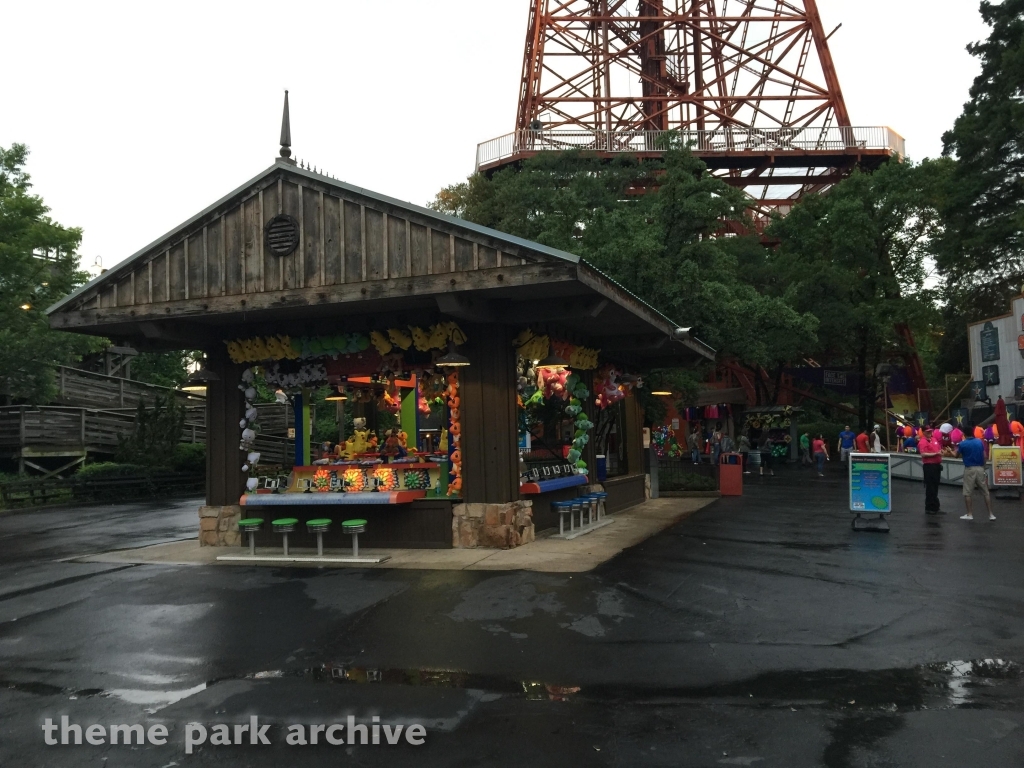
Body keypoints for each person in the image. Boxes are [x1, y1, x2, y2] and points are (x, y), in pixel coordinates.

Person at [957, 424, 994, 521]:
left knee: (967, 492)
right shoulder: (979, 442)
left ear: (964, 434)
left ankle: (969, 514)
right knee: (985, 492)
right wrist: (983, 467)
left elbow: (956, 455)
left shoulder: (962, 444)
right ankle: (991, 514)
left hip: (969, 469)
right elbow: (985, 456)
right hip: (980, 468)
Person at [918, 426, 943, 514]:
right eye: (927, 431)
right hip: (929, 466)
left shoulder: (934, 439)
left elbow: (939, 449)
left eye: (930, 431)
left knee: (935, 485)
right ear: (923, 432)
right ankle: (929, 507)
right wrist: (936, 454)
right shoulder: (922, 441)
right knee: (930, 486)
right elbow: (923, 454)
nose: (929, 433)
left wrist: (941, 452)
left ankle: (936, 506)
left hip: (936, 465)